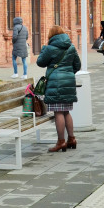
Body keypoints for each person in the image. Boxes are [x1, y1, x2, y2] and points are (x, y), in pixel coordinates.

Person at [36, 25, 81, 153]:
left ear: (51, 35)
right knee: (66, 111)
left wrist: (44, 49)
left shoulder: (50, 48)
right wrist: (68, 73)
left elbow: (40, 62)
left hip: (55, 84)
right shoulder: (71, 47)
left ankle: (61, 142)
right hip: (68, 82)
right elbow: (77, 65)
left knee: (58, 112)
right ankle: (72, 139)